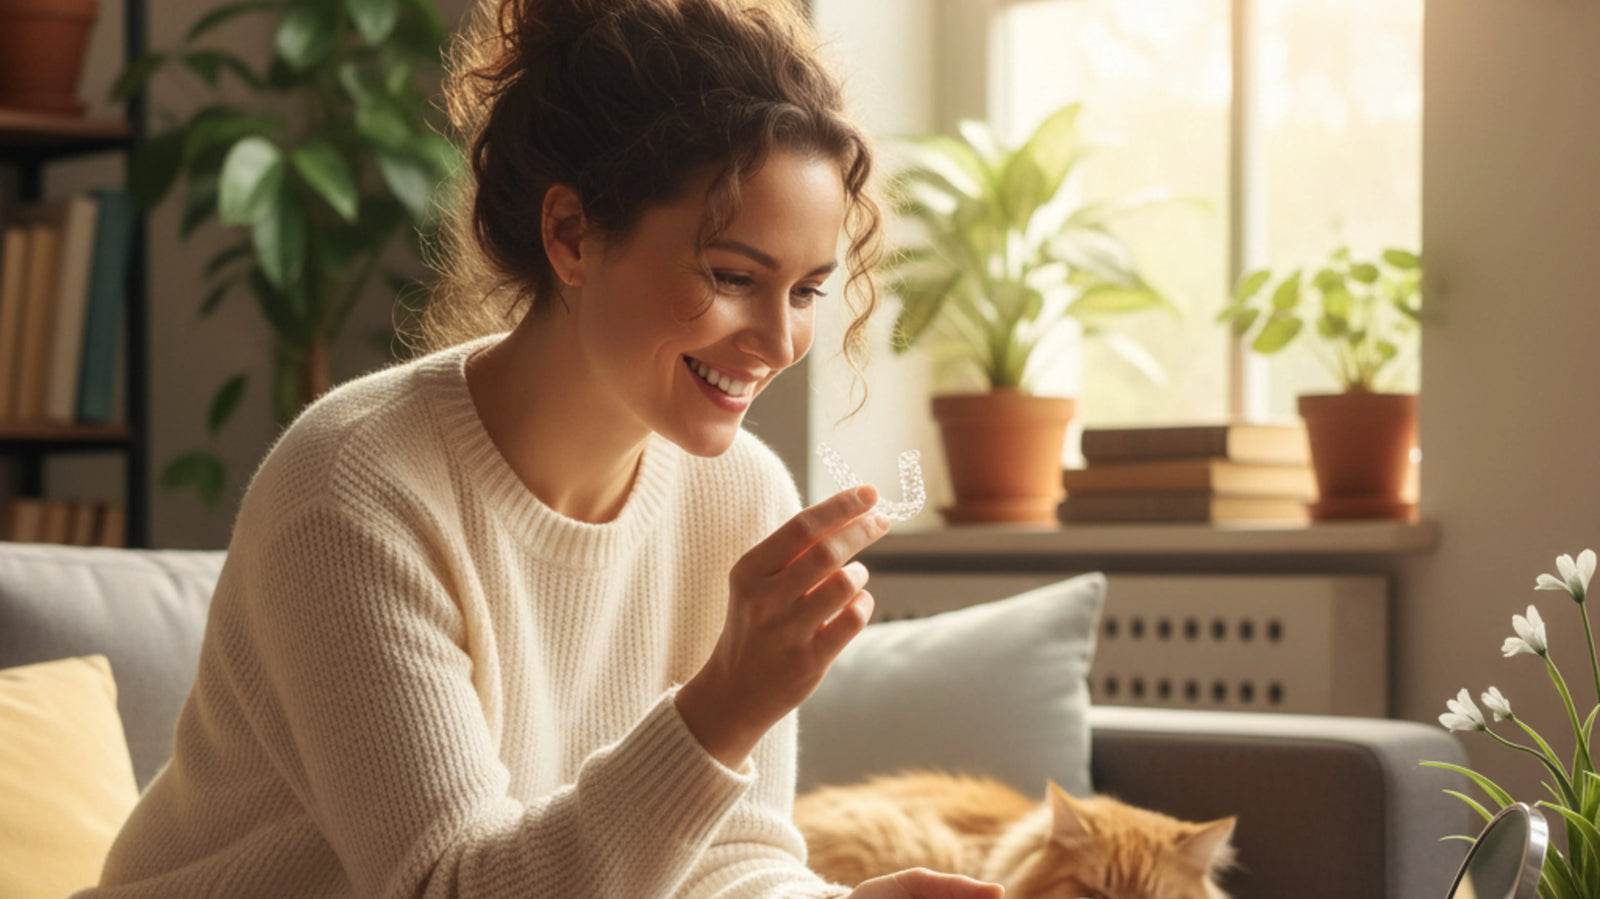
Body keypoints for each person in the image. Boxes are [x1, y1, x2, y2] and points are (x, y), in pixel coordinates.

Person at [84, 1, 1004, 897]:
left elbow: (726, 863)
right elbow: (450, 887)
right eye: (733, 276)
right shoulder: (354, 489)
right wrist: (723, 704)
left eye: (805, 291)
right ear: (570, 234)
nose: (776, 341)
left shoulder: (741, 493)